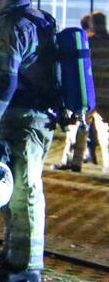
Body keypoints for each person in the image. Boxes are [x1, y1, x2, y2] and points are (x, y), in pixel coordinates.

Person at [0, 0, 57, 282]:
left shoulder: (12, 27)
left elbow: (2, 81)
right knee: (12, 191)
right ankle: (13, 255)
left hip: (23, 120)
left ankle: (28, 266)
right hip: (39, 119)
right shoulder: (42, 20)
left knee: (24, 192)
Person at [54, 11, 109, 173]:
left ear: (91, 24)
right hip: (107, 95)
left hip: (89, 94)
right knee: (106, 133)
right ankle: (107, 166)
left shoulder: (87, 42)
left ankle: (73, 161)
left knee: (78, 128)